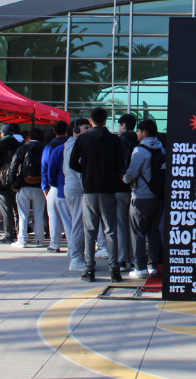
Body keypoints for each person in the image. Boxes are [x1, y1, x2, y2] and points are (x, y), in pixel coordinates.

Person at [69, 106, 126, 283]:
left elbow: (72, 163)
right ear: (105, 121)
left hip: (89, 190)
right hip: (109, 190)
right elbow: (120, 164)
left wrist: (85, 171)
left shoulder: (83, 139)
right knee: (110, 231)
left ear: (91, 121)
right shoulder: (114, 140)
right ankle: (115, 270)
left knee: (90, 231)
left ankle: (89, 269)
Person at [124, 118, 165, 279]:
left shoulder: (139, 151)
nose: (136, 133)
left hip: (141, 197)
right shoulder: (162, 149)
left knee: (138, 232)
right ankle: (152, 265)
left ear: (144, 133)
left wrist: (125, 179)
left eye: (138, 131)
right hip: (158, 196)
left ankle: (140, 267)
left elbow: (132, 173)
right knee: (154, 231)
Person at [10, 127, 47, 248]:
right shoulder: (44, 149)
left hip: (24, 185)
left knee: (23, 214)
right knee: (39, 213)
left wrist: (14, 183)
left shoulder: (22, 148)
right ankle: (39, 240)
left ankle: (22, 240)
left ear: (28, 137)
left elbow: (14, 166)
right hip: (40, 186)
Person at [62, 118, 91, 271]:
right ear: (76, 130)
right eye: (86, 127)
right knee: (79, 225)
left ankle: (76, 254)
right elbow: (79, 171)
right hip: (78, 189)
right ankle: (76, 258)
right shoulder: (76, 146)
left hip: (71, 187)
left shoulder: (68, 145)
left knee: (77, 224)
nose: (89, 130)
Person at [0, 125, 23, 243]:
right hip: (16, 182)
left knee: (6, 210)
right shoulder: (20, 145)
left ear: (3, 134)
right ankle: (21, 232)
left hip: (1, 183)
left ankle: (9, 234)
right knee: (17, 209)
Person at [41, 120, 69, 253]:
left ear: (54, 131)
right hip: (70, 185)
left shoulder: (51, 147)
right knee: (71, 219)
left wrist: (46, 186)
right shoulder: (71, 145)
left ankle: (55, 243)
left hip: (55, 185)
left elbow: (45, 168)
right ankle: (72, 244)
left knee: (53, 216)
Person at [117, 113, 139, 271]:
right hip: (136, 188)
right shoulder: (139, 141)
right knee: (134, 226)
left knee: (120, 225)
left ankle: (122, 259)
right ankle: (134, 259)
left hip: (119, 188)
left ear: (123, 125)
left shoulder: (118, 141)